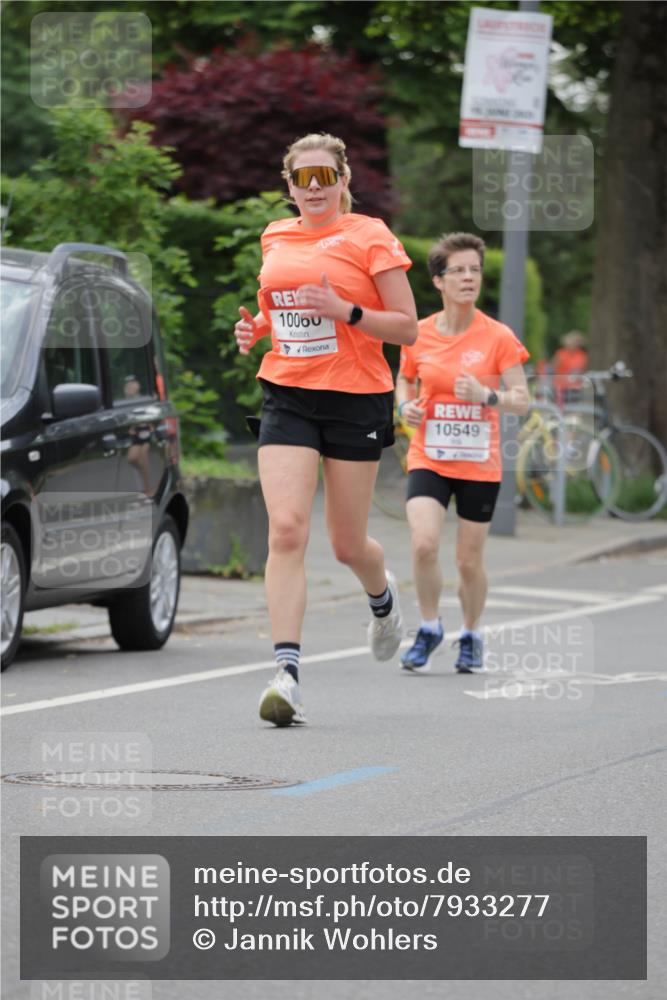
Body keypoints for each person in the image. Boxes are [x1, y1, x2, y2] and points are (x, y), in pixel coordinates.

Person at [234, 133, 418, 726]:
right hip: (287, 392)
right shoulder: (274, 235)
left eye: (324, 177)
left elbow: (408, 329)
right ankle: (286, 674)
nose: (313, 189)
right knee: (286, 531)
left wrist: (347, 313)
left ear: (342, 180)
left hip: (356, 398)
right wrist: (259, 328)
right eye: (301, 179)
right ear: (288, 185)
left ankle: (382, 600)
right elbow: (280, 304)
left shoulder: (371, 236)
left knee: (345, 543)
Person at [396, 232, 530, 673]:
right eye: (459, 270)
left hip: (478, 462)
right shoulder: (418, 334)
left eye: (475, 269)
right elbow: (405, 379)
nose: (469, 277)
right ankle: (430, 626)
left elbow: (522, 399)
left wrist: (486, 395)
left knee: (468, 561)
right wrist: (404, 406)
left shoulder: (498, 337)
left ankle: (471, 633)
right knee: (423, 543)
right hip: (429, 456)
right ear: (439, 280)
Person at [552, 330, 588, 406]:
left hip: (575, 388)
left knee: (573, 410)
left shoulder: (582, 355)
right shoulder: (560, 353)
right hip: (560, 387)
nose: (572, 344)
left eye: (575, 341)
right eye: (570, 341)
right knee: (560, 408)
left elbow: (582, 371)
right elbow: (553, 368)